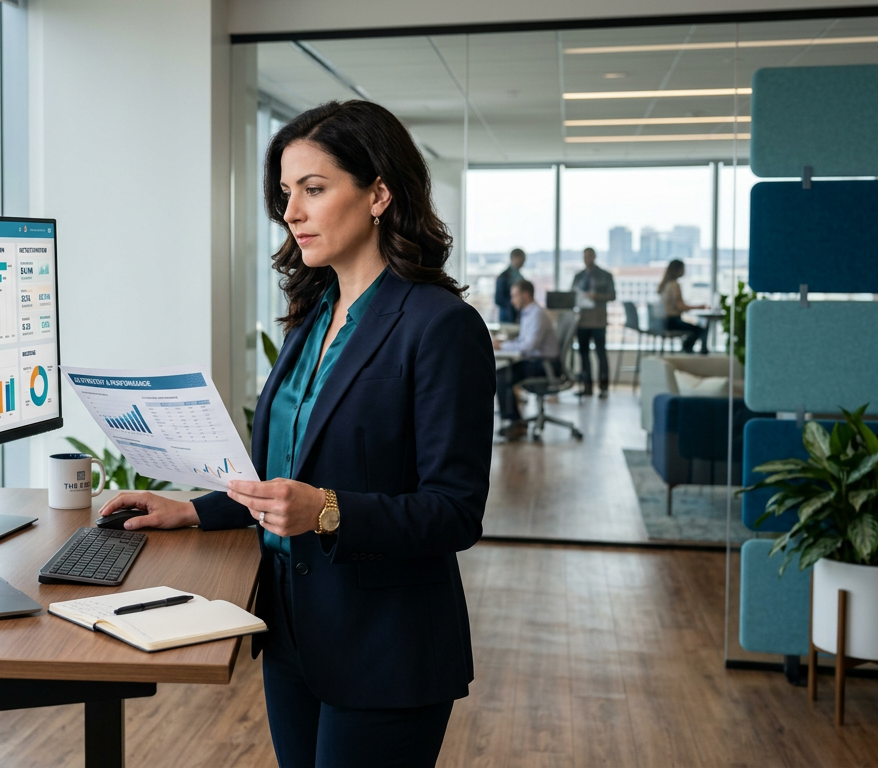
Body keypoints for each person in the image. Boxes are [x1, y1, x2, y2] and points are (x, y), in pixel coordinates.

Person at [96, 100, 495, 768]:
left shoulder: (440, 326)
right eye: (286, 194)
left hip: (383, 649)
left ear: (379, 193)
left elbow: (455, 512)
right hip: (291, 633)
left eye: (314, 189)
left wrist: (329, 510)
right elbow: (282, 477)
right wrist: (192, 510)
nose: (293, 211)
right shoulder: (312, 318)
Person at [491, 279, 559, 440]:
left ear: (526, 295)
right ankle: (515, 422)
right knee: (502, 373)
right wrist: (505, 344)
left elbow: (528, 345)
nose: (512, 300)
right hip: (537, 361)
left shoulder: (537, 314)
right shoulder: (529, 313)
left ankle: (516, 424)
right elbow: (523, 342)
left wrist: (502, 346)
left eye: (515, 295)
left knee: (502, 376)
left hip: (545, 364)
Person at [569, 247, 615, 397]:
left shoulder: (605, 275)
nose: (587, 259)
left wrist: (596, 296)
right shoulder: (579, 276)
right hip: (582, 320)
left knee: (600, 353)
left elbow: (612, 295)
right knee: (583, 354)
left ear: (594, 257)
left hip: (598, 320)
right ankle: (586, 387)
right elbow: (572, 295)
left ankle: (603, 387)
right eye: (585, 256)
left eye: (590, 256)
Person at [658, 259, 708, 354]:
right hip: (673, 322)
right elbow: (680, 307)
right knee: (701, 329)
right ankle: (691, 350)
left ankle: (688, 347)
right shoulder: (674, 285)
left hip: (664, 321)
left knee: (698, 327)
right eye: (683, 268)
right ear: (677, 270)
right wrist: (699, 307)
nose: (684, 271)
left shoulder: (665, 285)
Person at [494, 248, 526, 323]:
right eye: (523, 259)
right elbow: (498, 299)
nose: (524, 262)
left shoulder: (520, 276)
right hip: (507, 318)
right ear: (515, 258)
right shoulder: (503, 277)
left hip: (518, 316)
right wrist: (513, 304)